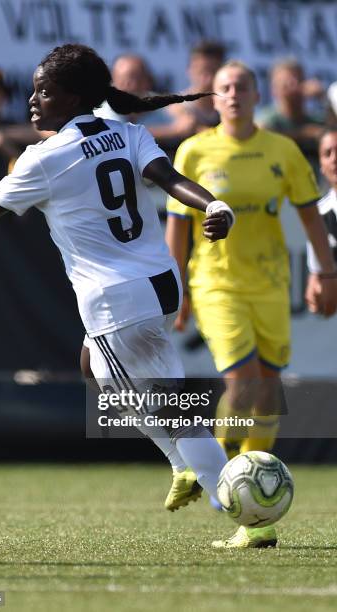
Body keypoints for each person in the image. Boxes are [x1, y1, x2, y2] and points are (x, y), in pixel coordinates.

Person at [0, 44, 241, 548]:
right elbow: (170, 180)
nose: (33, 100)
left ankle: (240, 508)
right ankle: (185, 467)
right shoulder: (127, 133)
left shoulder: (46, 158)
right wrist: (216, 204)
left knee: (170, 407)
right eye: (35, 89)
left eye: (45, 91)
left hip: (117, 299)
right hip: (158, 284)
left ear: (76, 98)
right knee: (92, 365)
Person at [166, 60, 337, 548]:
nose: (234, 93)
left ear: (256, 94)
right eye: (224, 87)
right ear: (213, 98)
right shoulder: (195, 150)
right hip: (217, 284)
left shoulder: (281, 151)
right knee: (242, 383)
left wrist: (327, 273)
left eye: (242, 86)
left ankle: (251, 521)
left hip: (270, 285)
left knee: (268, 391)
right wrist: (175, 289)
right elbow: (176, 228)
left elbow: (309, 218)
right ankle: (213, 471)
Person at [258, 59, 325, 178]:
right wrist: (304, 134)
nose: (293, 86)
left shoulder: (317, 119)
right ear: (274, 89)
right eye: (286, 83)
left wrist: (324, 99)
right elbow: (261, 135)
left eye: (298, 80)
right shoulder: (268, 118)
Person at [306, 129, 337, 312]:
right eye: (327, 153)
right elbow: (317, 279)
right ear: (321, 166)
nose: (334, 159)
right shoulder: (318, 215)